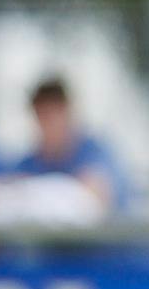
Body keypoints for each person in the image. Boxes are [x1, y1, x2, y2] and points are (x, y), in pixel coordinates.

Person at [10, 76, 127, 218]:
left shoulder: (94, 151)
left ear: (67, 113)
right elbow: (11, 190)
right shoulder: (30, 162)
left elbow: (98, 192)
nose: (48, 125)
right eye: (42, 116)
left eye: (52, 115)